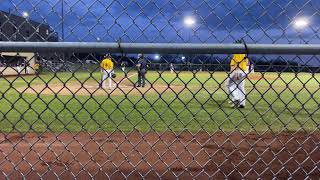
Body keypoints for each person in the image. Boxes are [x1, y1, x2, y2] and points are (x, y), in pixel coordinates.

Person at [225, 40, 249, 108]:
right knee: (241, 87)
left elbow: (236, 64)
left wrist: (235, 72)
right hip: (244, 71)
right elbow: (247, 64)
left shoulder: (237, 54)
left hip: (237, 71)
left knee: (228, 85)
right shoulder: (244, 54)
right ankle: (242, 103)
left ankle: (236, 98)